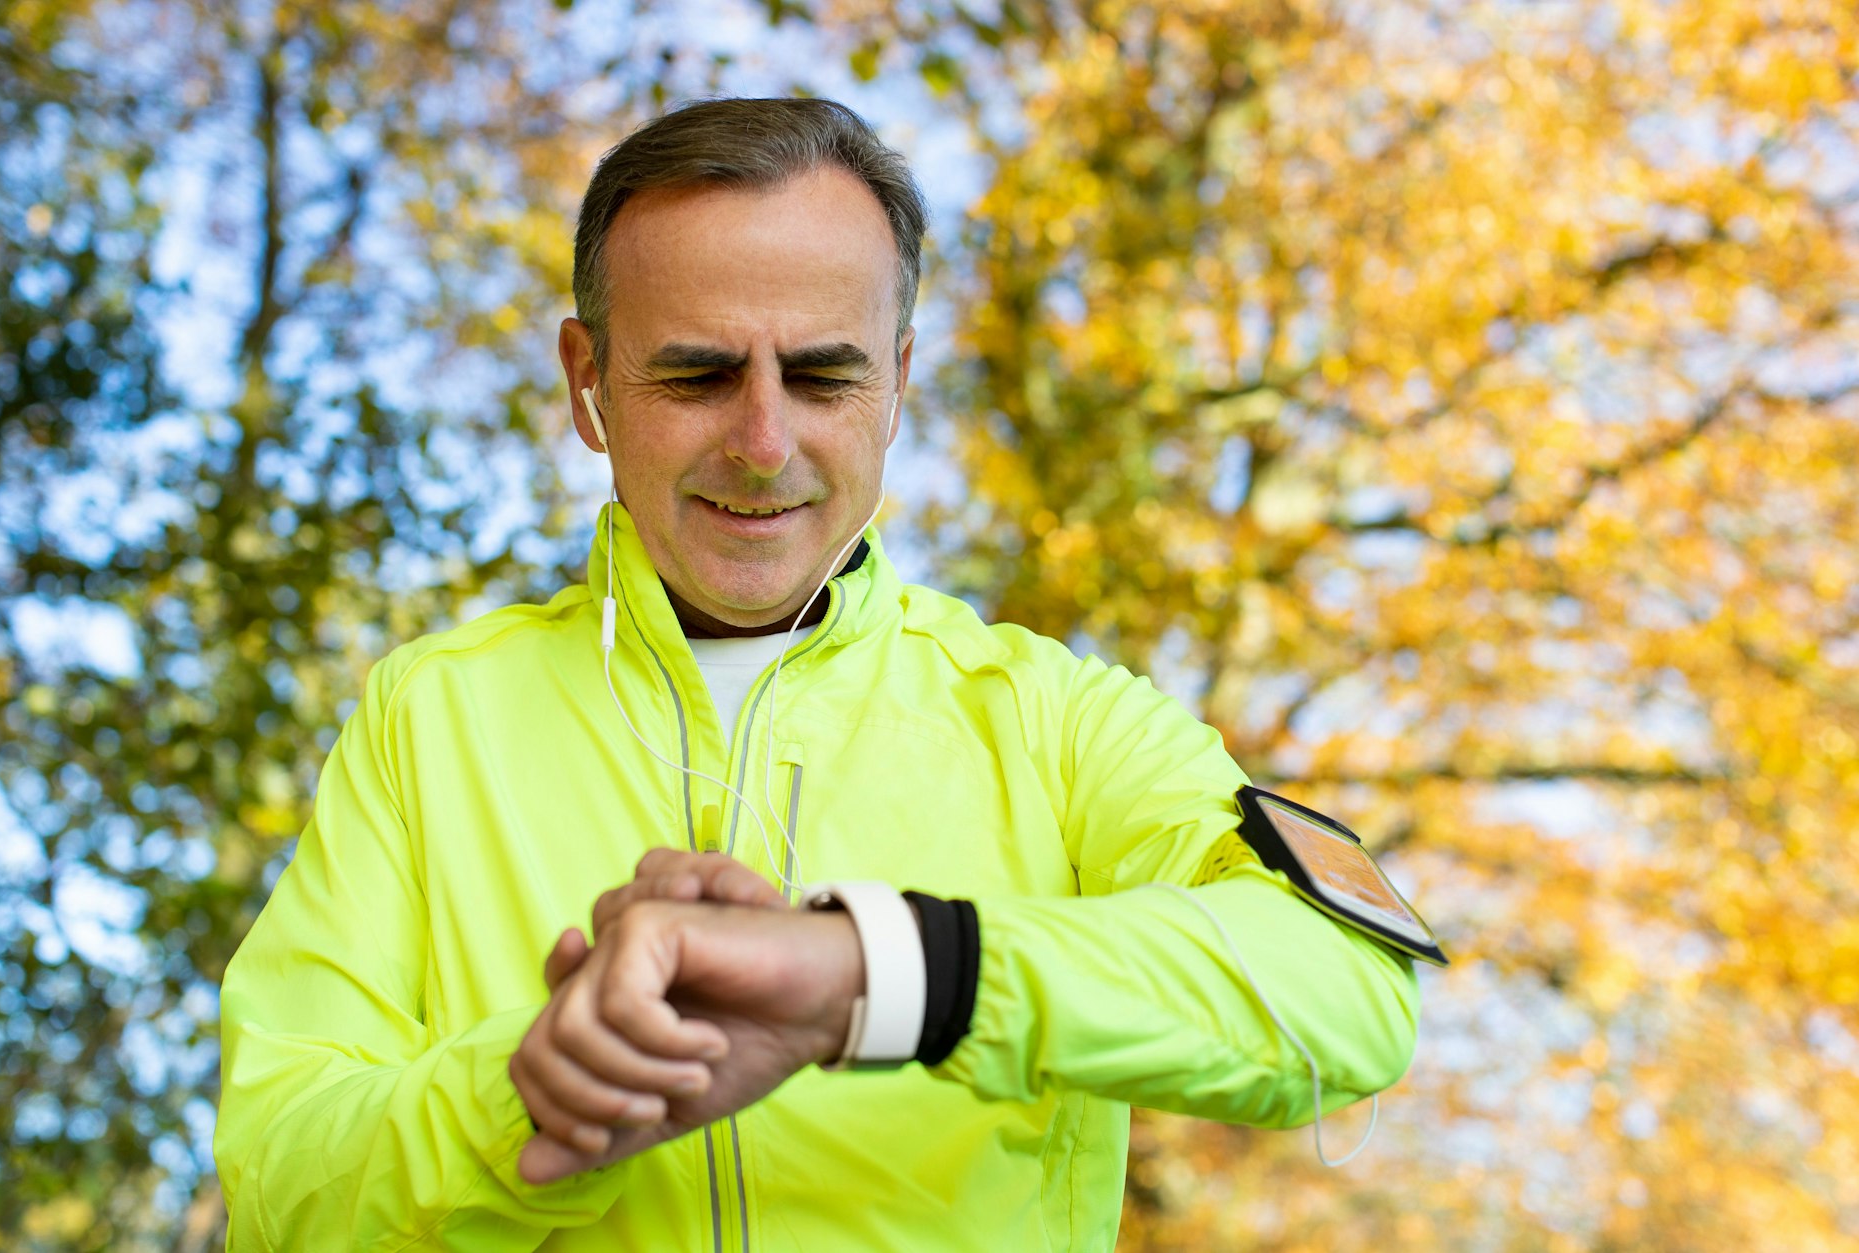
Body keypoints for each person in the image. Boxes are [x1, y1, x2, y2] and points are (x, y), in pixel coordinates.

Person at [213, 96, 1420, 1252]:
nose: (763, 441)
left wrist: (876, 972)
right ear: (587, 382)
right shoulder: (429, 717)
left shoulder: (1056, 719)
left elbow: (1352, 987)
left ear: (896, 382)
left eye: (824, 375)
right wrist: (529, 1092)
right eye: (695, 373)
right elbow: (280, 1184)